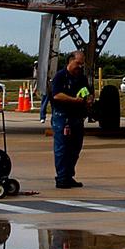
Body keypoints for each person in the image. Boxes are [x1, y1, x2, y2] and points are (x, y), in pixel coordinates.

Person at [50, 50, 93, 189]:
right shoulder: (60, 76)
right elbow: (56, 95)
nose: (80, 67)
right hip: (63, 117)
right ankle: (61, 177)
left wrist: (89, 99)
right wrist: (74, 100)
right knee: (62, 148)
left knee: (75, 148)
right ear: (70, 61)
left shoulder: (81, 78)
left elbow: (88, 91)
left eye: (82, 64)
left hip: (77, 117)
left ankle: (68, 175)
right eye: (78, 63)